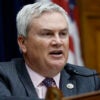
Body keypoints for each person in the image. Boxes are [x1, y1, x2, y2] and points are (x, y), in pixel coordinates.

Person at [0, 1, 100, 100]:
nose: (58, 42)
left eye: (63, 34)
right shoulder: (4, 76)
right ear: (23, 43)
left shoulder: (88, 80)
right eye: (47, 34)